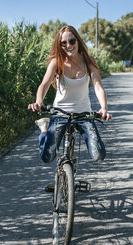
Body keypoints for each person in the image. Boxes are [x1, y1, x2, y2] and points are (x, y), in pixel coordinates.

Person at [28, 25, 112, 163]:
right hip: (60, 114)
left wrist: (104, 108)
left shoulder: (89, 62)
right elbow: (44, 84)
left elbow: (98, 87)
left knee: (99, 155)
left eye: (72, 41)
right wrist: (39, 102)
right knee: (47, 157)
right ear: (60, 45)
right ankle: (43, 130)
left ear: (78, 41)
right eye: (64, 43)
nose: (69, 45)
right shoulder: (56, 63)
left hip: (84, 114)